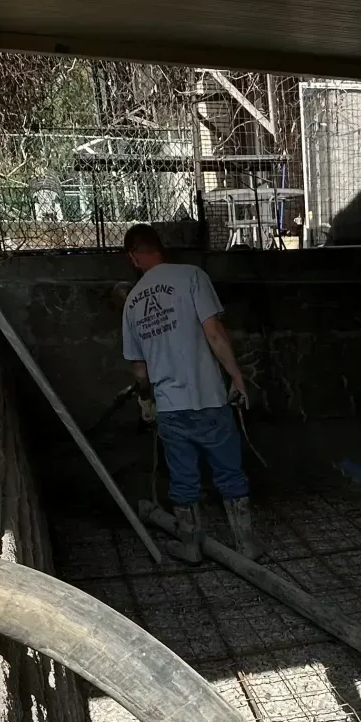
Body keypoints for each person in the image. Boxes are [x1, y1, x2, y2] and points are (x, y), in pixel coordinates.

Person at [120, 223, 260, 562]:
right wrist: (237, 377)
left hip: (170, 407)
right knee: (228, 472)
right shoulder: (191, 276)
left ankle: (190, 548)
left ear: (133, 257)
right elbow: (214, 334)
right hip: (209, 398)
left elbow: (139, 369)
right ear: (159, 248)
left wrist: (146, 401)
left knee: (183, 479)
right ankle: (246, 546)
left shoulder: (131, 304)